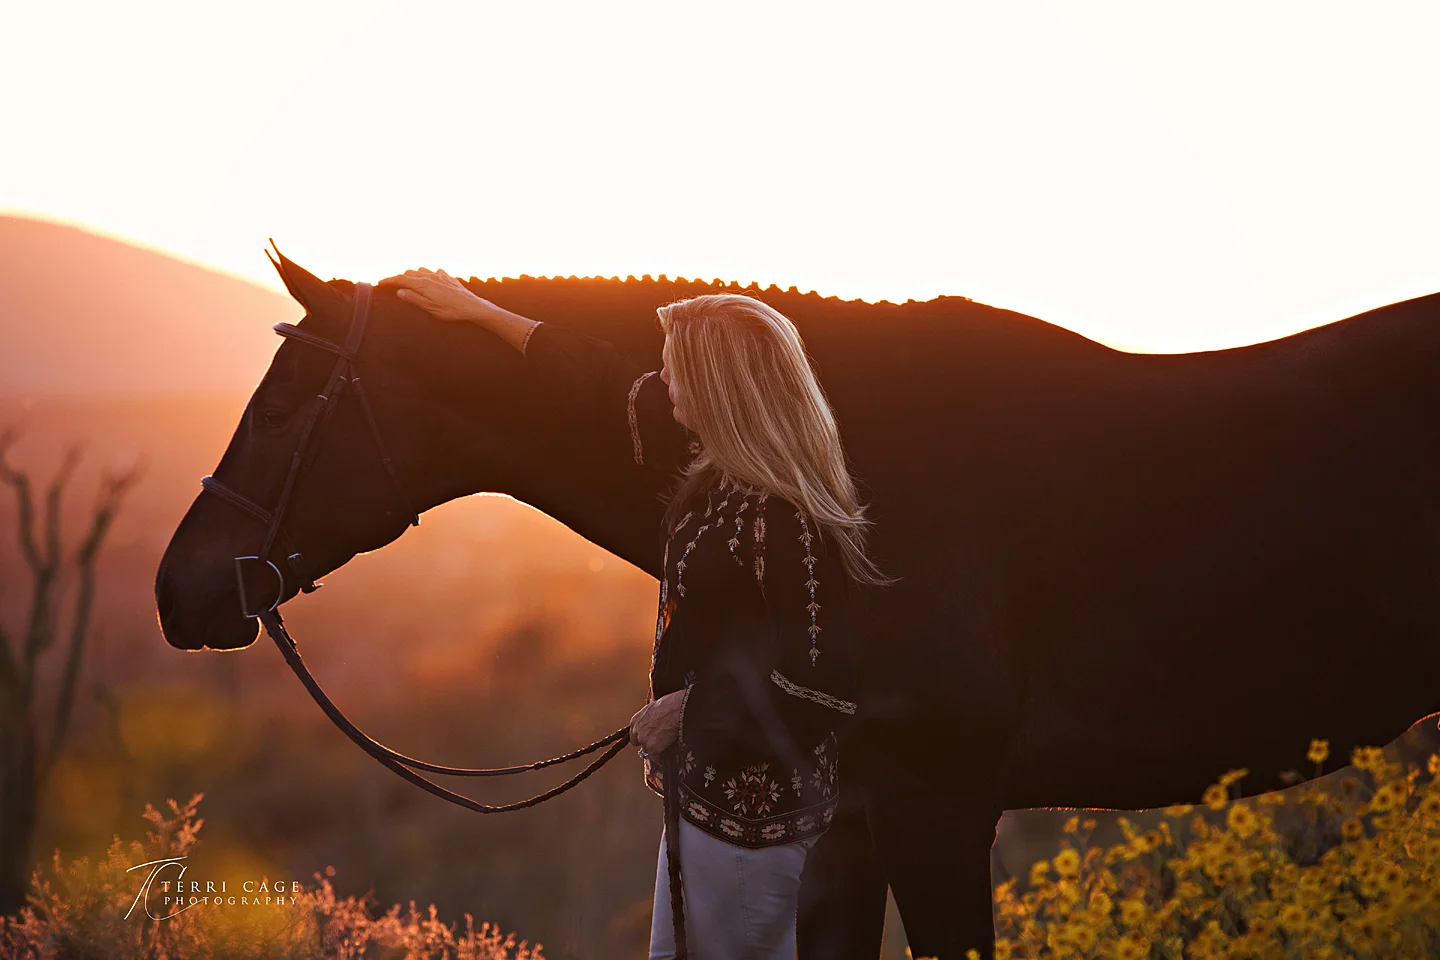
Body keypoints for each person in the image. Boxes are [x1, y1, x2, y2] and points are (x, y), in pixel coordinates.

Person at [377, 268, 895, 959]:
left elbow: (821, 687)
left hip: (756, 830)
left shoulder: (786, 515)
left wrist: (688, 711)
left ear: (715, 385)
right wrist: (479, 313)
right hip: (704, 807)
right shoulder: (715, 469)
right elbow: (599, 380)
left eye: (673, 369)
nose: (659, 381)